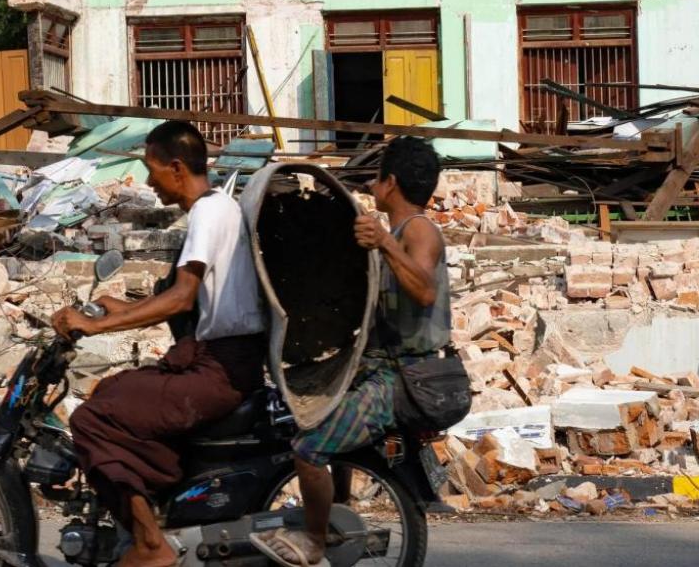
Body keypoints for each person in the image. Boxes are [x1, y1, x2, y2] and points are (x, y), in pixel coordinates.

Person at [52, 120, 267, 567]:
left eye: (151, 170)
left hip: (219, 370)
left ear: (175, 167)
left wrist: (98, 328)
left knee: (92, 420)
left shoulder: (209, 211)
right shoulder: (216, 209)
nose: (149, 182)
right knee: (111, 391)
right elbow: (189, 295)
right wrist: (122, 308)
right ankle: (161, 507)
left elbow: (183, 296)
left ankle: (151, 545)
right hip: (218, 362)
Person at [251, 136, 448, 567]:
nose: (373, 182)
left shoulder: (417, 229)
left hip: (402, 377)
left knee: (308, 449)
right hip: (383, 366)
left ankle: (315, 541)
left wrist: (385, 244)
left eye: (377, 175)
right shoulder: (393, 231)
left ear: (390, 182)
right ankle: (339, 508)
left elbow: (426, 291)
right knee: (319, 416)